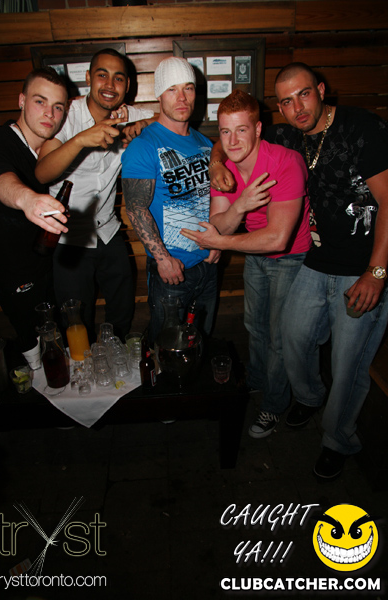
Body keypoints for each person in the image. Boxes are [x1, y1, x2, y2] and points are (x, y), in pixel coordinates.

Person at [212, 63, 388, 480]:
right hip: (317, 260)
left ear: (321, 90)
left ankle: (338, 440)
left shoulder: (362, 128)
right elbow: (233, 135)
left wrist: (377, 272)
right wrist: (217, 160)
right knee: (292, 339)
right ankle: (309, 397)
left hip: (363, 267)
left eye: (304, 94)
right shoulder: (289, 133)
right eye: (287, 101)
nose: (297, 107)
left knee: (348, 362)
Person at [181, 89, 312, 438]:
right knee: (255, 326)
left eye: (242, 130)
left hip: (290, 257)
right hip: (254, 254)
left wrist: (219, 243)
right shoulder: (224, 169)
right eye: (226, 131)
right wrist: (240, 206)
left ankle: (274, 404)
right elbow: (220, 225)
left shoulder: (285, 162)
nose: (233, 140)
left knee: (279, 339)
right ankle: (257, 378)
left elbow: (277, 239)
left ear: (258, 129)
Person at [35, 48, 156, 342]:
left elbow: (166, 118)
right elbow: (42, 172)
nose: (109, 85)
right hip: (69, 236)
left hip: (109, 230)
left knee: (122, 309)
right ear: (88, 78)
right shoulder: (67, 114)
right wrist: (80, 140)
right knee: (76, 321)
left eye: (118, 78)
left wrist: (141, 125)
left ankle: (118, 358)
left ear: (127, 85)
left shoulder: (127, 114)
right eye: (102, 75)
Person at [121, 57, 220, 347]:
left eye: (188, 88)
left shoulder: (206, 144)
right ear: (159, 95)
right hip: (172, 271)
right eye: (172, 89)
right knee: (168, 351)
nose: (182, 98)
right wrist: (162, 259)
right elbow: (135, 207)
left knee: (201, 344)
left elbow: (214, 201)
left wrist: (219, 241)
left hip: (208, 265)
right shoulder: (144, 145)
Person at [0, 67, 69, 368]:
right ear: (21, 101)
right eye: (40, 101)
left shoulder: (46, 153)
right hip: (15, 273)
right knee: (33, 347)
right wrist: (27, 199)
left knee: (57, 340)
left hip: (46, 266)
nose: (50, 113)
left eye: (58, 106)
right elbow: (1, 179)